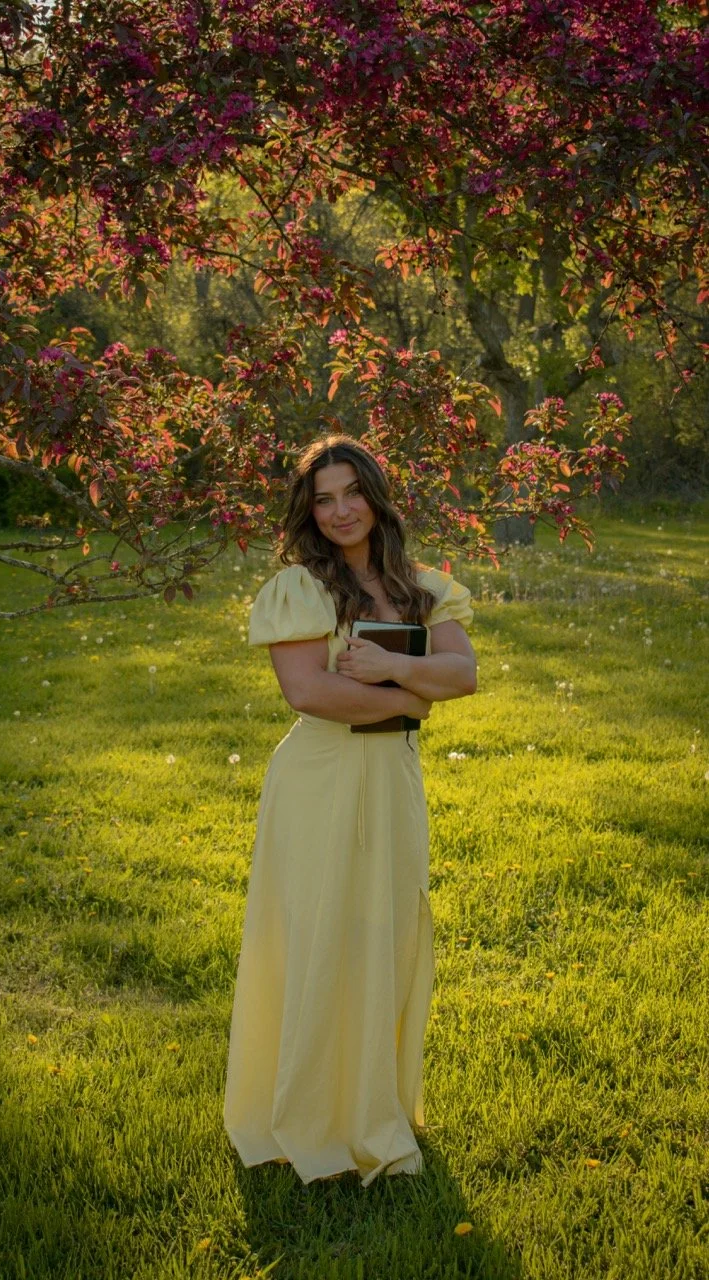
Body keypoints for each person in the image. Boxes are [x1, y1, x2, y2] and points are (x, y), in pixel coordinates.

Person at [223, 434, 477, 1186]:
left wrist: (395, 665)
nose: (340, 511)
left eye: (352, 493)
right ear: (308, 512)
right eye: (323, 499)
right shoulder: (300, 588)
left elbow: (462, 674)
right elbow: (307, 691)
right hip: (319, 781)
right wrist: (411, 698)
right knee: (317, 935)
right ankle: (307, 1117)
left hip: (391, 781)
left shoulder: (423, 587)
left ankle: (373, 1109)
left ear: (376, 496)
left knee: (383, 935)